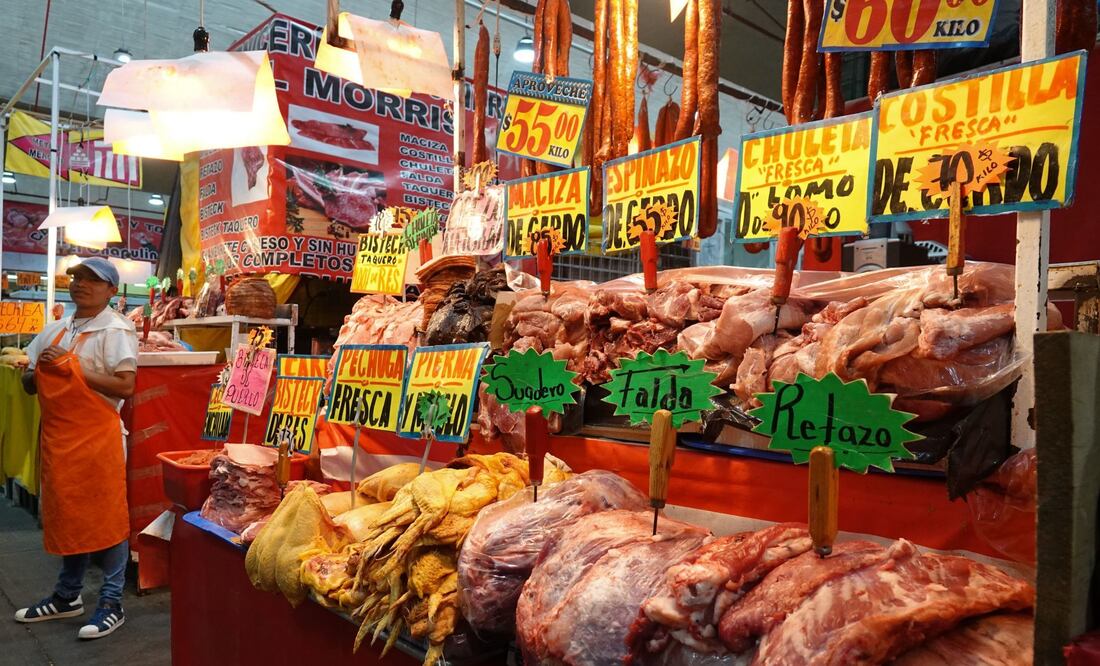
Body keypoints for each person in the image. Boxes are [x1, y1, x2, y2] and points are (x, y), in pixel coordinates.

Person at [14, 257, 138, 640]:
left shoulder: (116, 329)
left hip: (98, 437)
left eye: (93, 280)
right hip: (59, 438)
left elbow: (125, 386)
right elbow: (30, 383)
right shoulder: (55, 330)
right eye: (77, 277)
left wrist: (74, 368)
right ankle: (68, 596)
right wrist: (36, 373)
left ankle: (112, 601)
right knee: (70, 514)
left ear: (111, 291)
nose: (81, 284)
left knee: (107, 517)